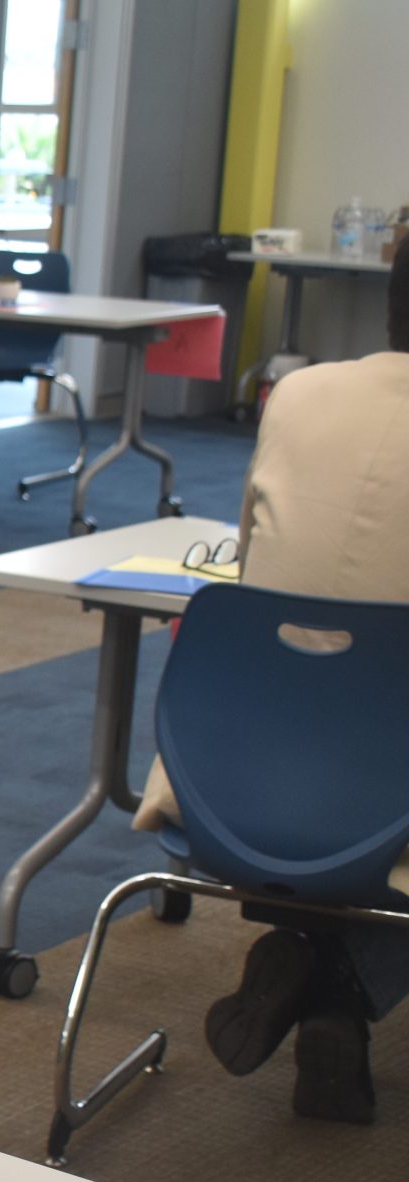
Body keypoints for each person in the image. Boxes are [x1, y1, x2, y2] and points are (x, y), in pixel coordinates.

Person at [135, 242, 409, 1123]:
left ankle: (320, 973)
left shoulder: (299, 394)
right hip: (383, 795)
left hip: (237, 779)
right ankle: (343, 983)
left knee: (362, 751)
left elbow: (251, 569)